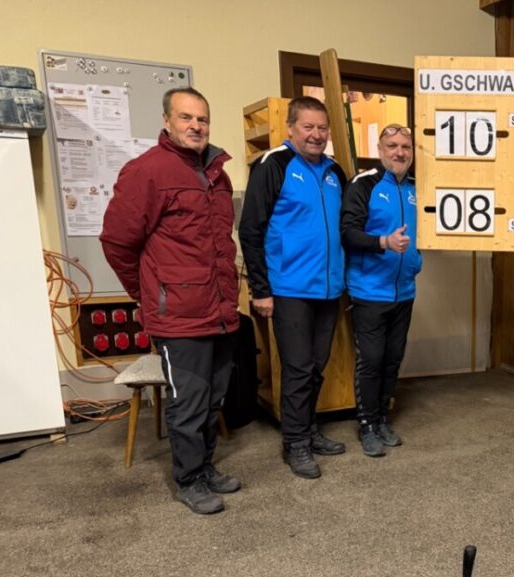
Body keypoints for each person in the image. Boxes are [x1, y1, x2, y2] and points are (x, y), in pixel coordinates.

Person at [101, 87, 240, 515]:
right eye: (185, 117)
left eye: (202, 118)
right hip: (179, 315)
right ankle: (189, 479)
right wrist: (148, 294)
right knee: (189, 402)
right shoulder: (147, 171)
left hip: (219, 309)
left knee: (213, 399)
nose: (196, 125)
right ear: (166, 121)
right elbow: (117, 243)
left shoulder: (218, 174)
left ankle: (205, 466)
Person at [239, 96, 348, 479]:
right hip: (289, 288)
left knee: (316, 367)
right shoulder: (273, 165)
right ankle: (296, 443)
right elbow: (250, 229)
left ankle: (308, 428)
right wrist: (261, 289)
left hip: (328, 289)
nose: (316, 134)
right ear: (291, 128)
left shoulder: (334, 172)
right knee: (298, 369)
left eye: (322, 127)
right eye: (308, 126)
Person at [340, 124, 421, 457]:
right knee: (371, 360)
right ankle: (367, 425)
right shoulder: (364, 184)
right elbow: (347, 233)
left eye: (405, 146)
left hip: (404, 290)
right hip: (369, 290)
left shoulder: (417, 188)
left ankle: (382, 418)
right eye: (392, 145)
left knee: (392, 359)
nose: (399, 152)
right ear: (380, 149)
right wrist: (383, 242)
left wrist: (417, 260)